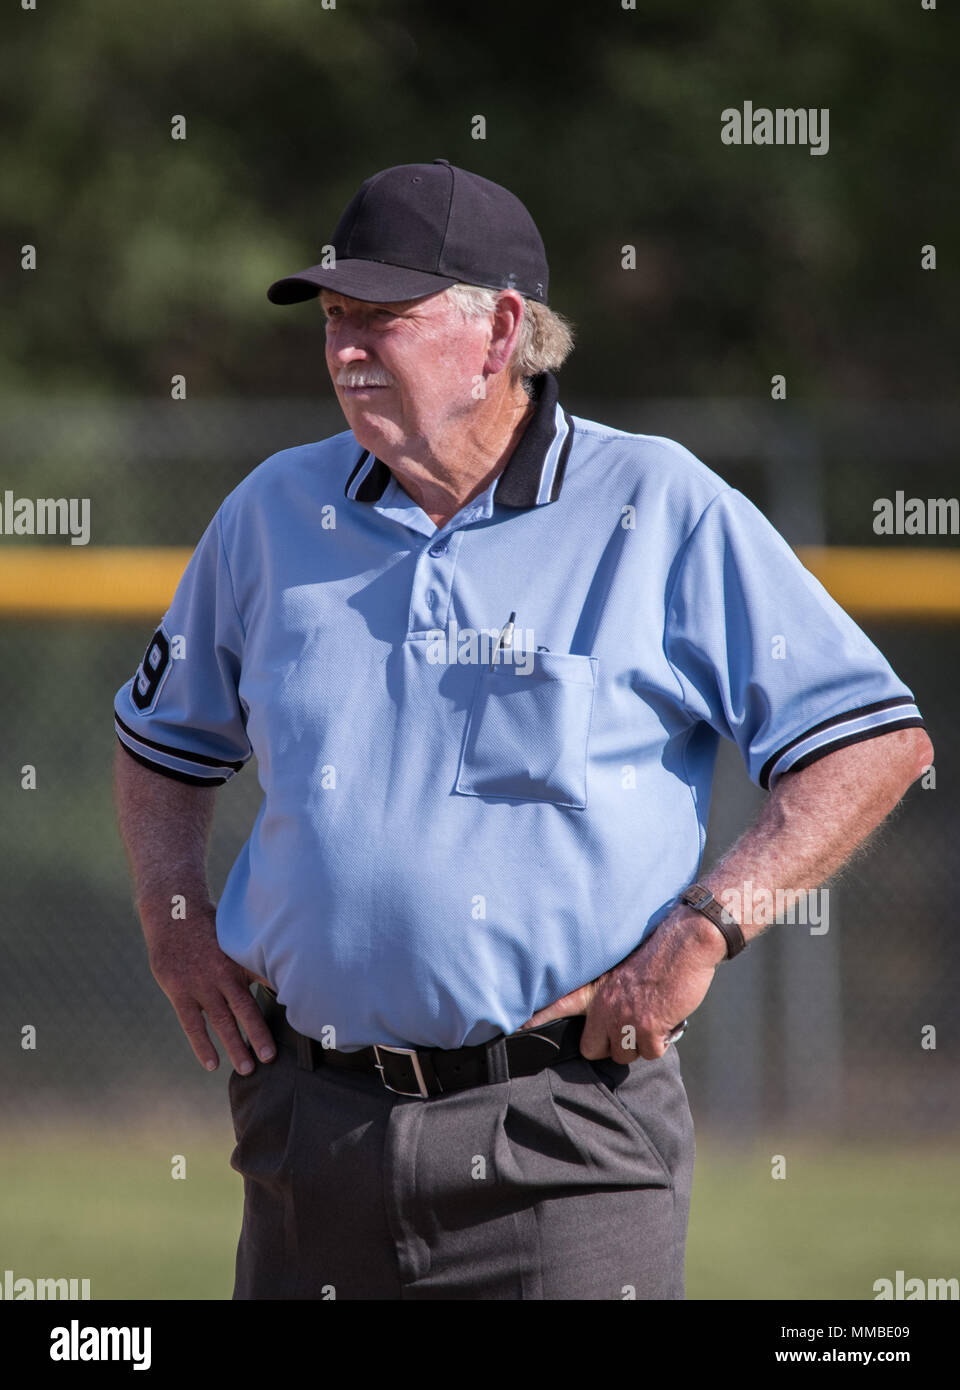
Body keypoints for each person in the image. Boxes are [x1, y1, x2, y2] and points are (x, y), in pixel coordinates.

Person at [113, 159, 933, 1301]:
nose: (345, 348)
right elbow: (161, 748)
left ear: (500, 331)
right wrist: (172, 918)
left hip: (564, 1139)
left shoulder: (658, 504)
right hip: (311, 1133)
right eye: (334, 319)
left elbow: (871, 741)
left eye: (379, 319)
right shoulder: (270, 512)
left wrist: (702, 930)